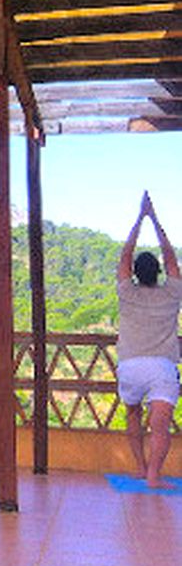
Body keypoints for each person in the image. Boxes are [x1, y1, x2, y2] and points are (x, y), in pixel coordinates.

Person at [115, 191, 181, 489]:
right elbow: (171, 258)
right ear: (158, 273)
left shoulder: (127, 294)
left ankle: (140, 468)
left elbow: (124, 257)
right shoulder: (172, 294)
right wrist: (155, 219)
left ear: (138, 275)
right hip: (162, 369)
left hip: (130, 366)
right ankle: (154, 475)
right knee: (160, 428)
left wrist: (139, 219)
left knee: (132, 413)